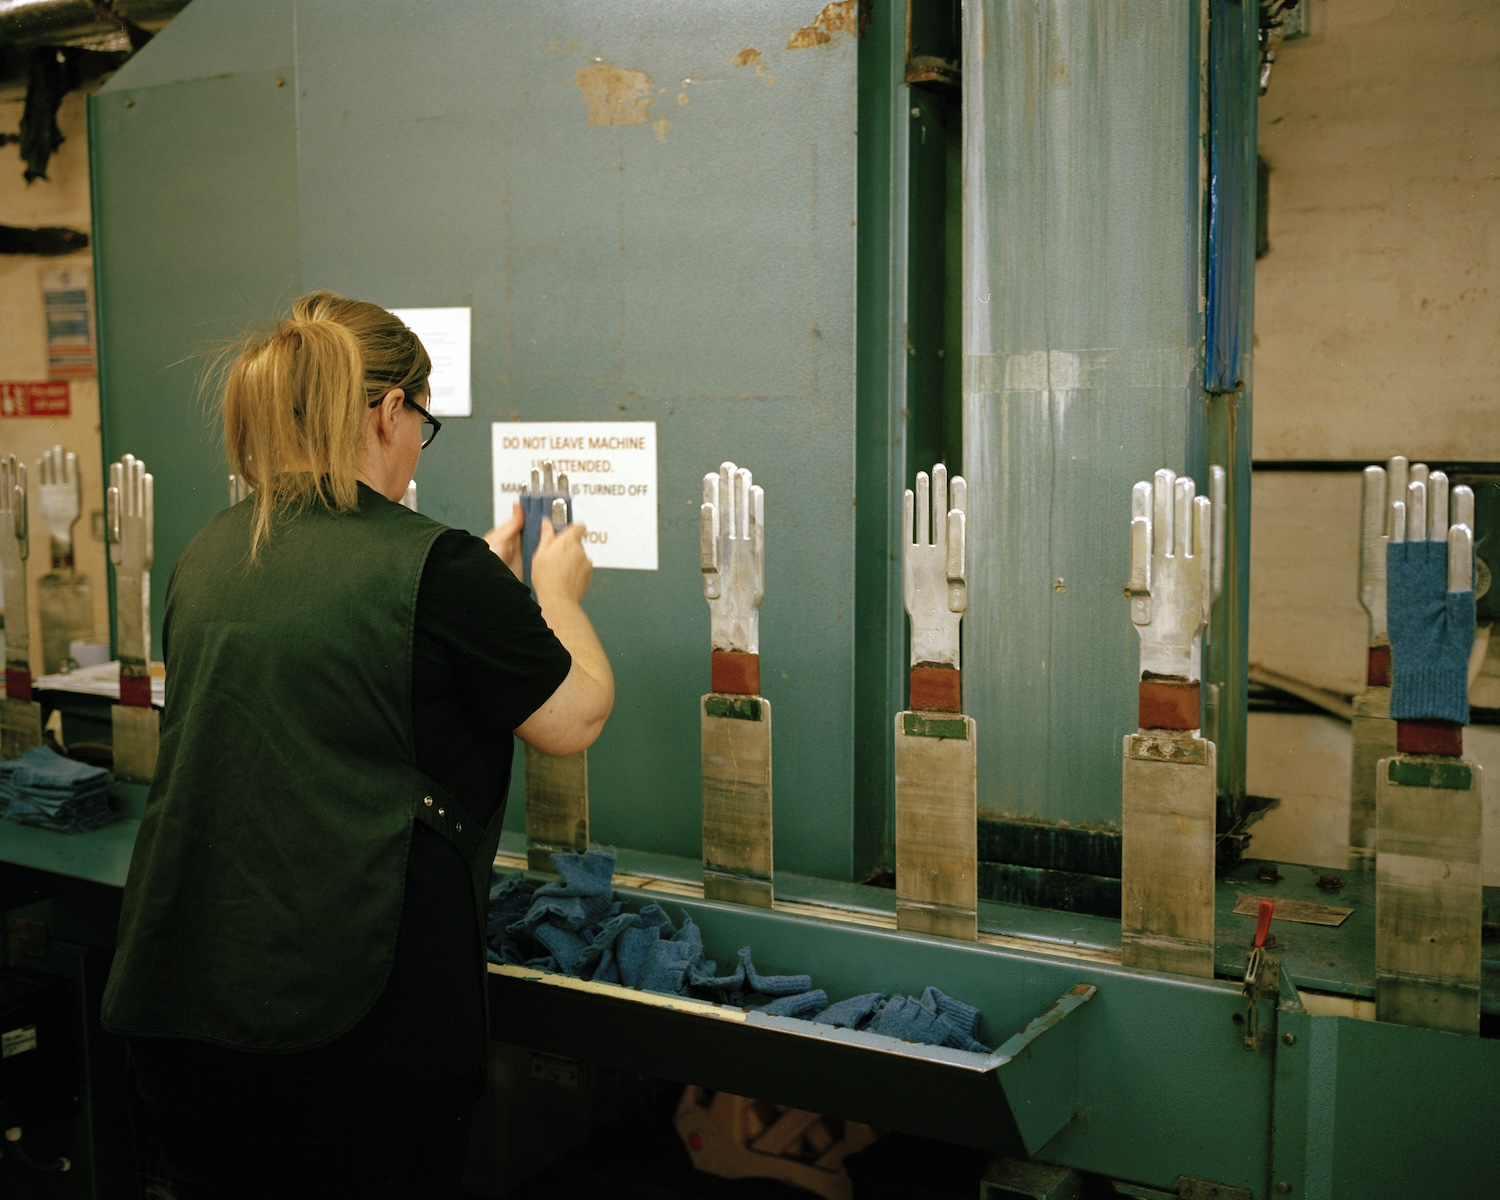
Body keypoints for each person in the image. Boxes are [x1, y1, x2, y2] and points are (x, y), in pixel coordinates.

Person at [100, 291, 613, 1197]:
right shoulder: (436, 564)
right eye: (424, 419)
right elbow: (572, 719)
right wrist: (555, 593)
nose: (419, 442)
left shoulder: (213, 549)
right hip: (348, 1032)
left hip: (180, 1006)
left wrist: (481, 601)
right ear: (388, 412)